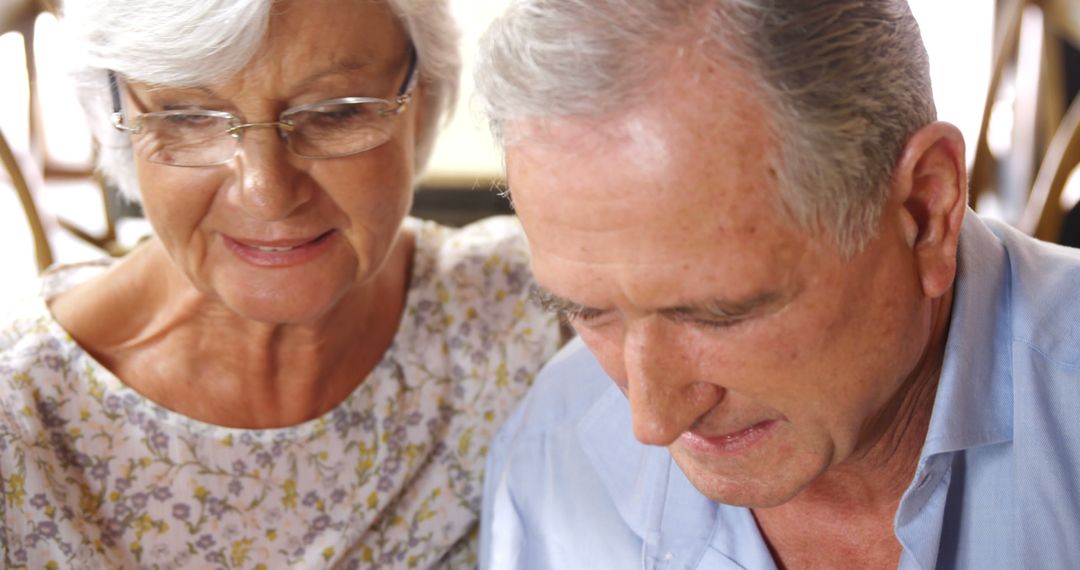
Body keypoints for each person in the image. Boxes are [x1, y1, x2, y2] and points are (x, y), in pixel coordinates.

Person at [474, 0, 1080, 568]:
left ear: (924, 211)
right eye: (589, 310)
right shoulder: (550, 456)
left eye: (719, 314)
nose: (652, 422)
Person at [0, 0, 561, 567]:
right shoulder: (19, 422)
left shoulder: (542, 314)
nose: (267, 193)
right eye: (190, 116)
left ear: (425, 94)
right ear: (113, 112)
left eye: (335, 112)